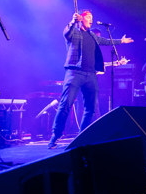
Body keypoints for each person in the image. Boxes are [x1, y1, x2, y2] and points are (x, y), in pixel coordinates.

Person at [48, 10, 134, 149]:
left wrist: (121, 41)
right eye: (88, 17)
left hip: (91, 74)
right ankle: (55, 136)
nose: (91, 20)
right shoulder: (74, 32)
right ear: (81, 18)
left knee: (91, 108)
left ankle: (81, 138)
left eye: (92, 17)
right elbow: (66, 33)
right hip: (75, 72)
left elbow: (106, 41)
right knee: (65, 105)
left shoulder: (93, 35)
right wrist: (72, 22)